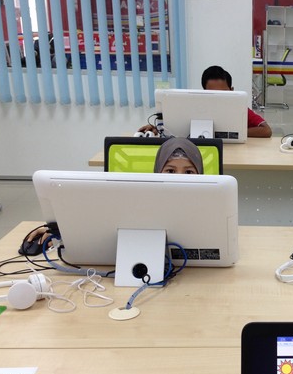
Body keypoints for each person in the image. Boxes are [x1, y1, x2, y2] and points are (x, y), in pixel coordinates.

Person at [21, 138, 204, 256]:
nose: (180, 177)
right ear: (158, 171)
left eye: (189, 172)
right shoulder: (139, 200)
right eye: (170, 171)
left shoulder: (210, 206)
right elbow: (104, 222)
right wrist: (62, 230)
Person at [138, 65, 272, 138]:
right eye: (213, 94)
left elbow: (266, 131)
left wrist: (234, 132)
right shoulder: (196, 108)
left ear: (232, 90)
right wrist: (158, 128)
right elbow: (177, 126)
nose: (219, 98)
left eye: (224, 93)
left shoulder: (239, 108)